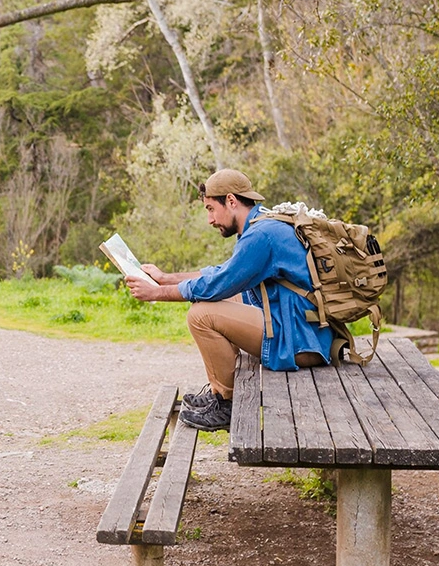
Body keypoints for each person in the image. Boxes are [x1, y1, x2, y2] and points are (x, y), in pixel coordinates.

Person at [125, 169, 333, 431]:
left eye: (212, 209)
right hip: (303, 330)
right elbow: (223, 273)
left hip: (300, 341)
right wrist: (165, 278)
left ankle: (226, 403)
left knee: (201, 314)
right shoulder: (263, 224)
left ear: (232, 201)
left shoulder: (261, 236)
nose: (210, 219)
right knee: (226, 297)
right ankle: (218, 394)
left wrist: (156, 293)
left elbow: (217, 285)